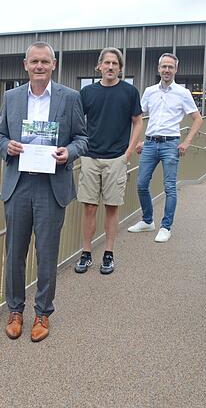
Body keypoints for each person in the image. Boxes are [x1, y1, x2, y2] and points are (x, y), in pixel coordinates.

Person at [0, 41, 87, 342]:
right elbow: (0, 136)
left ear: (54, 64)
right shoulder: (11, 97)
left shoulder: (70, 97)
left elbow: (82, 139)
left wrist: (69, 152)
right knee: (14, 254)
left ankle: (43, 313)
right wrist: (6, 146)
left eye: (44, 62)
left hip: (51, 185)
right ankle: (15, 311)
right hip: (19, 183)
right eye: (34, 61)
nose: (39, 66)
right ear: (25, 65)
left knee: (46, 254)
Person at [75, 47, 143, 275]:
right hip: (90, 156)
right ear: (99, 66)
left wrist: (128, 152)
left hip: (116, 158)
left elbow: (138, 122)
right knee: (89, 207)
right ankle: (86, 253)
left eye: (115, 63)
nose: (111, 67)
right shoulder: (88, 93)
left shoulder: (129, 92)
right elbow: (77, 121)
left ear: (120, 68)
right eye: (107, 63)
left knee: (112, 208)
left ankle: (109, 254)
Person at [128, 53, 203, 242]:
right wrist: (139, 140)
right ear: (158, 69)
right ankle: (147, 220)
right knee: (141, 184)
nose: (167, 70)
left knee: (169, 187)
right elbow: (139, 116)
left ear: (176, 70)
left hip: (171, 144)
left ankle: (166, 226)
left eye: (170, 67)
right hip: (150, 143)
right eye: (164, 66)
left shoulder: (183, 93)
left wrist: (187, 142)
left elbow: (197, 119)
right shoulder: (149, 91)